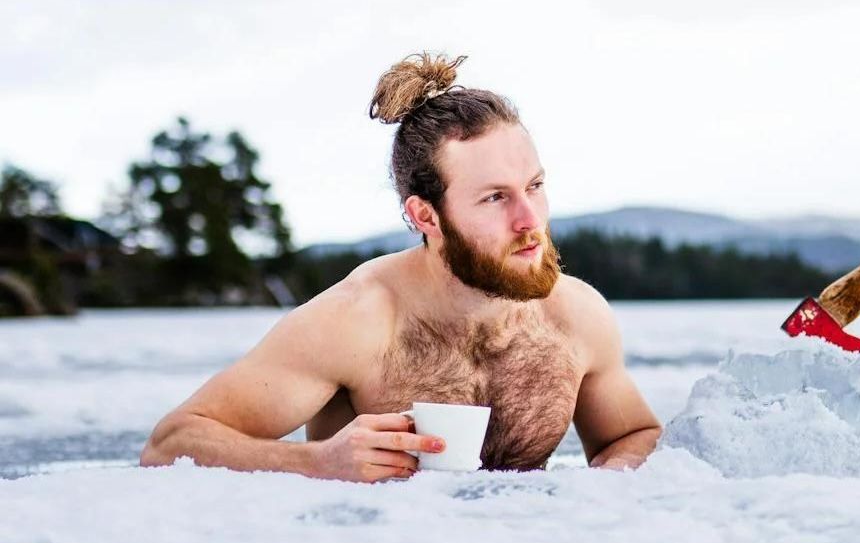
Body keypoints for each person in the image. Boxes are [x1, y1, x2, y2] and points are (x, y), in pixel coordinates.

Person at [140, 53, 662, 482]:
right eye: (495, 198)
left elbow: (631, 437)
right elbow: (171, 444)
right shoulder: (357, 321)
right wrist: (316, 463)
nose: (530, 221)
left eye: (534, 187)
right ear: (425, 216)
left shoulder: (576, 316)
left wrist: (605, 492)